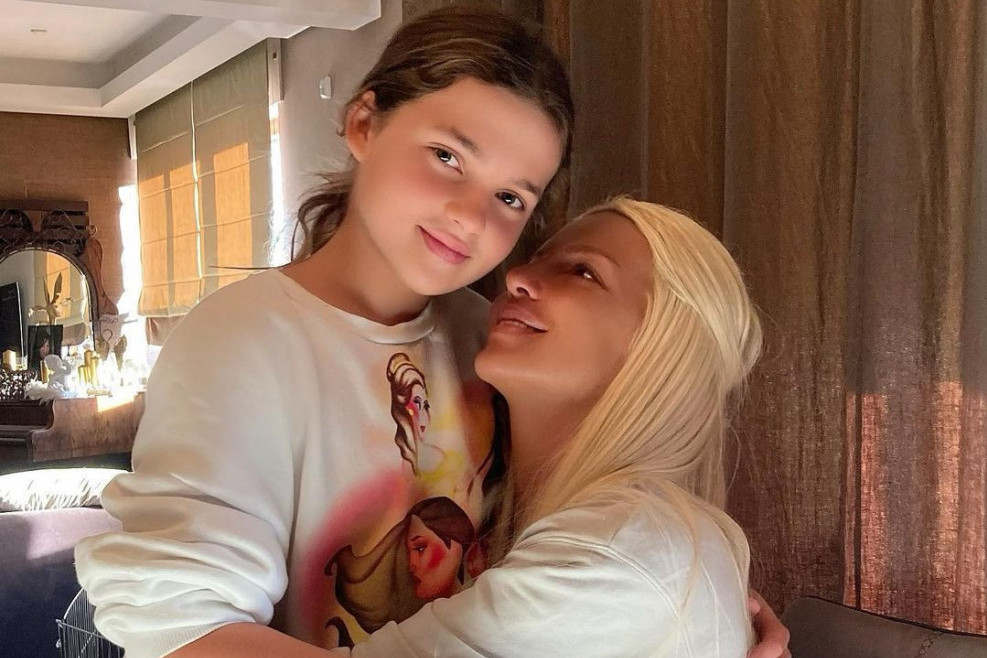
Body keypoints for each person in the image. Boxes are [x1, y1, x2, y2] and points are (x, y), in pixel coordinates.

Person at [75, 7, 788, 658]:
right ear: (364, 124)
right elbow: (185, 632)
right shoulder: (243, 340)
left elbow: (582, 553)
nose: (470, 217)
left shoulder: (490, 341)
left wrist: (697, 616)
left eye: (509, 197)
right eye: (448, 156)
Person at [334, 197, 765, 656]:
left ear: (665, 349)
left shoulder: (622, 551)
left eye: (583, 272)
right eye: (536, 259)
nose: (516, 276)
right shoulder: (618, 542)